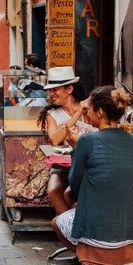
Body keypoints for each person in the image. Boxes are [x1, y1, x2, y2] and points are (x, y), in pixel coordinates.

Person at [53, 86, 133, 250]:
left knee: (57, 223)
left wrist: (76, 148)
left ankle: (91, 264)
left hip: (101, 234)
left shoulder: (87, 140)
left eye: (89, 109)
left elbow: (75, 185)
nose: (87, 113)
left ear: (99, 112)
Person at [38, 66, 94, 215]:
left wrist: (82, 111)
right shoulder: (51, 113)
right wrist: (76, 115)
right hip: (63, 165)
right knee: (53, 190)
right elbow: (55, 140)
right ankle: (66, 227)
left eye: (55, 89)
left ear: (69, 89)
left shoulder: (89, 109)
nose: (51, 94)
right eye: (50, 90)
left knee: (76, 192)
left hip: (88, 162)